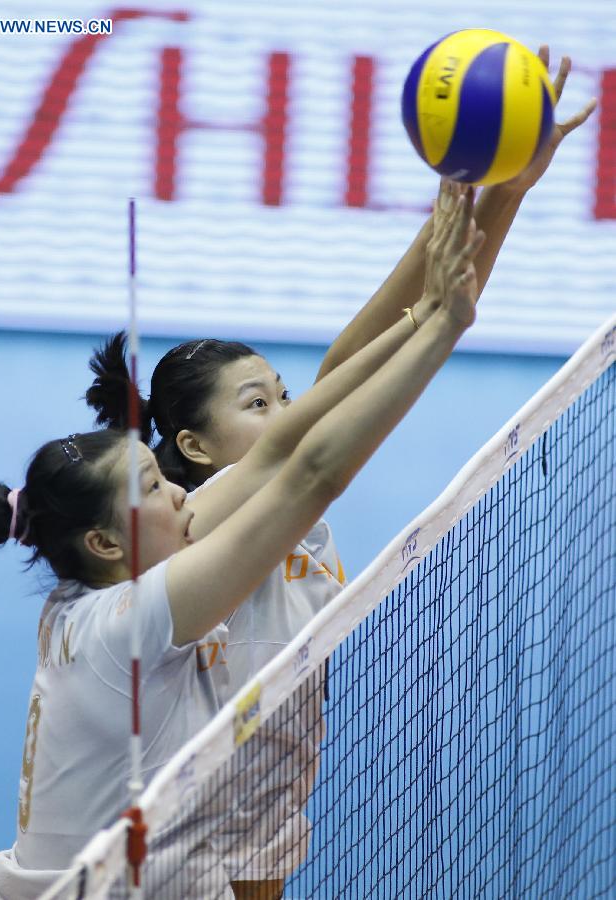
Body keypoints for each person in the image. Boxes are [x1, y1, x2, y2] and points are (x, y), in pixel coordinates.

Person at [85, 54, 594, 898]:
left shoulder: (283, 513)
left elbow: (415, 314)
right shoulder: (196, 530)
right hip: (177, 837)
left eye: (284, 395)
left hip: (263, 808)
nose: (289, 411)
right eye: (259, 404)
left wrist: (501, 189)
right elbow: (388, 362)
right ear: (197, 447)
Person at [0, 191, 482, 900]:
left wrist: (427, 317)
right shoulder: (133, 622)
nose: (180, 492)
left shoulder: (84, 591)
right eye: (154, 485)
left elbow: (278, 454)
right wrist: (442, 328)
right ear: (104, 539)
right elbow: (311, 471)